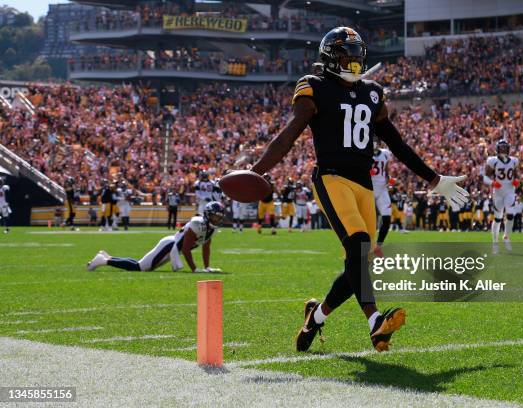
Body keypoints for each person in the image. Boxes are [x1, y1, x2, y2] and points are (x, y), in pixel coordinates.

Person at [250, 27, 468, 353]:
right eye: (346, 56)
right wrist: (255, 171)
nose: (352, 62)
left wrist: (434, 179)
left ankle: (316, 317)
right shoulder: (315, 87)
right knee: (359, 243)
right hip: (331, 177)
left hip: (363, 183)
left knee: (358, 265)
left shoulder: (373, 92)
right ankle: (375, 322)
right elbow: (289, 135)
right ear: (331, 58)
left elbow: (396, 143)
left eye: (356, 56)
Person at [88, 201, 224, 273]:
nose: (216, 219)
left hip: (173, 249)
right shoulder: (197, 223)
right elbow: (186, 249)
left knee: (142, 266)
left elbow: (206, 247)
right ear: (207, 214)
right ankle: (103, 261)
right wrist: (195, 270)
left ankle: (107, 258)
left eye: (218, 217)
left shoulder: (211, 229)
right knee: (140, 267)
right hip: (170, 245)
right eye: (214, 216)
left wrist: (206, 267)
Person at [483, 139, 519, 254]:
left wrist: (516, 181)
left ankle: (506, 236)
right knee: (498, 217)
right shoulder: (493, 161)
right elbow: (485, 177)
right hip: (498, 192)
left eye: (505, 147)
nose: (503, 149)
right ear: (498, 148)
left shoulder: (514, 161)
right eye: (501, 147)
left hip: (509, 190)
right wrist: (492, 183)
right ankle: (495, 242)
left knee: (510, 214)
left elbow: (515, 175)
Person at [371, 141, 392, 253]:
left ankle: (378, 246)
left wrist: (388, 177)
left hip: (382, 188)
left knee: (387, 217)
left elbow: (386, 168)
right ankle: (367, 245)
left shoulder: (385, 153)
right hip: (368, 188)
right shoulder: (365, 153)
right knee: (368, 220)